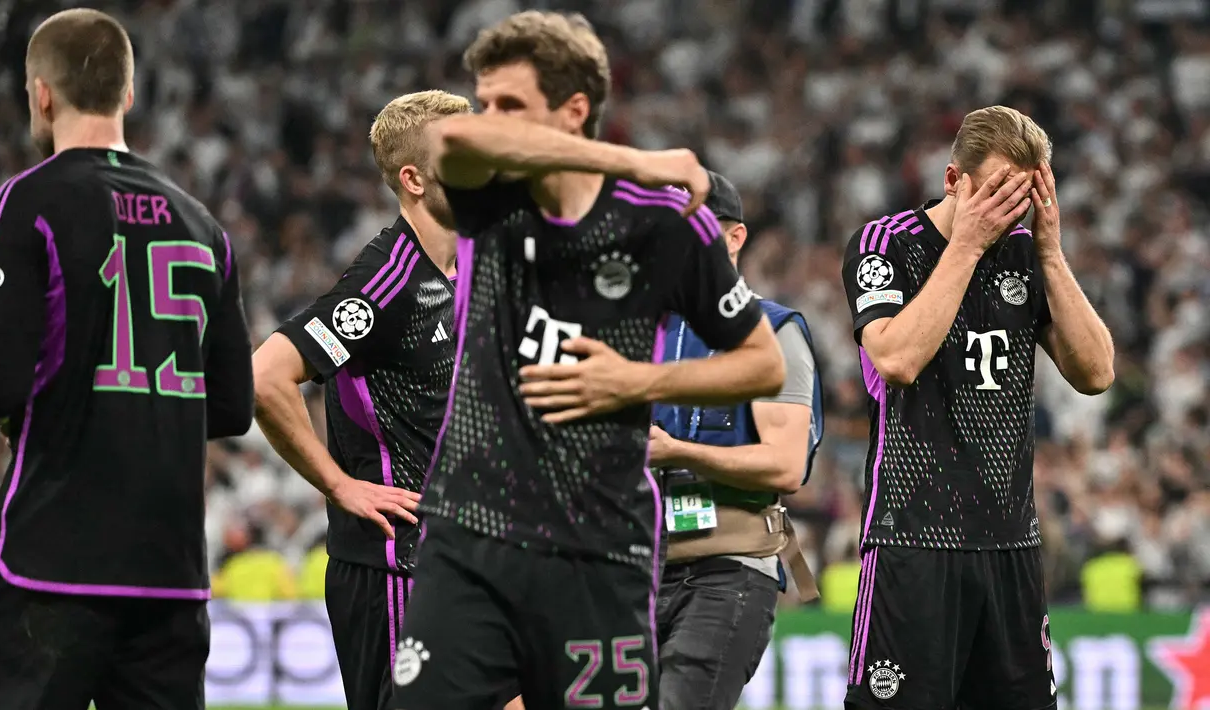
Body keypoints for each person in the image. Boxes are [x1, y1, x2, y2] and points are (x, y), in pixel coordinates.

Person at [390, 10, 786, 710]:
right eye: (486, 100)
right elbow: (453, 137)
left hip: (597, 550)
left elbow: (760, 364)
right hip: (471, 533)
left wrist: (636, 380)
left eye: (511, 104)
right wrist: (635, 157)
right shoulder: (491, 195)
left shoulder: (660, 224)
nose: (491, 118)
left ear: (575, 110)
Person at [0, 9, 253, 710]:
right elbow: (230, 404)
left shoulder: (28, 200)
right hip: (169, 571)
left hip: (52, 559)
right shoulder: (202, 222)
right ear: (129, 95)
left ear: (40, 93)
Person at [252, 90, 521, 710]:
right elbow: (266, 375)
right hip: (399, 572)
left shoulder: (477, 267)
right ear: (414, 179)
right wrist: (339, 485)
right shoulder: (386, 282)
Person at [841, 105, 1114, 710]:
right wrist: (964, 247)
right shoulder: (887, 244)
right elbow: (897, 360)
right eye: (993, 191)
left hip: (1011, 543)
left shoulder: (1026, 253)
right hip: (911, 539)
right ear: (951, 180)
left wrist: (1049, 251)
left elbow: (1096, 373)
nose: (1005, 210)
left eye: (1021, 194)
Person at [648, 170, 824, 710]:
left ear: (734, 237)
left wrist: (676, 452)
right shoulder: (631, 334)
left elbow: (786, 467)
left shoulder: (772, 333)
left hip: (727, 566)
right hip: (633, 569)